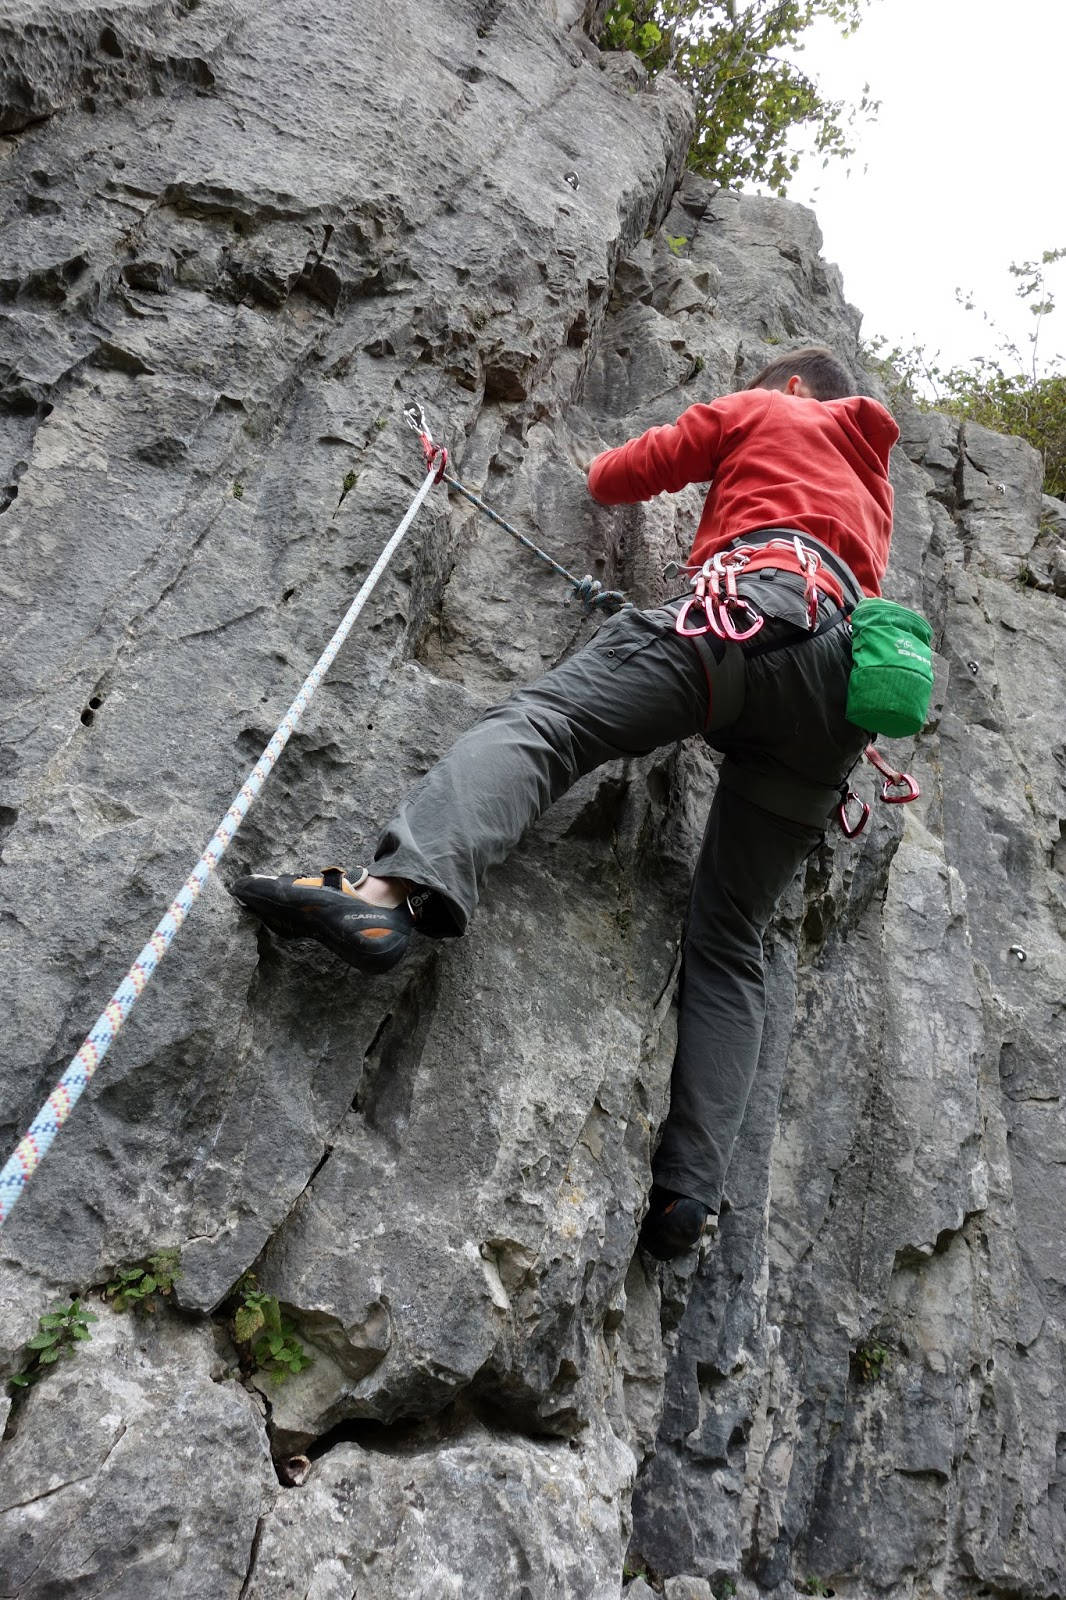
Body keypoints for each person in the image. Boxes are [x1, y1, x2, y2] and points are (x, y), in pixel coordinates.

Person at [232, 346, 899, 1260]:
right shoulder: (873, 488)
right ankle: (689, 1197)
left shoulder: (774, 410)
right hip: (837, 706)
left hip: (751, 613)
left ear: (790, 386)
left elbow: (616, 477)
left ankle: (387, 897)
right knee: (734, 938)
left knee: (547, 725)